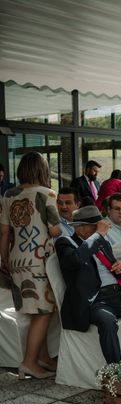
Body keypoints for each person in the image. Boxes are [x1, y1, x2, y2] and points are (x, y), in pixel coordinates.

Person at [56, 206, 121, 364]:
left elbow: (111, 268)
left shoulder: (101, 241)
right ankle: (116, 372)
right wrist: (98, 235)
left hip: (120, 295)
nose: (100, 229)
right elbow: (75, 260)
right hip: (96, 301)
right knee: (107, 322)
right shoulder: (65, 243)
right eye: (95, 226)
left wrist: (120, 268)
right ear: (80, 227)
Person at [0, 152, 60, 379]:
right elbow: (54, 230)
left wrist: (4, 259)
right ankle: (29, 362)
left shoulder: (8, 194)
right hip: (40, 260)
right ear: (42, 170)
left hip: (16, 259)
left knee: (38, 310)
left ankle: (43, 357)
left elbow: (4, 232)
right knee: (44, 311)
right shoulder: (48, 194)